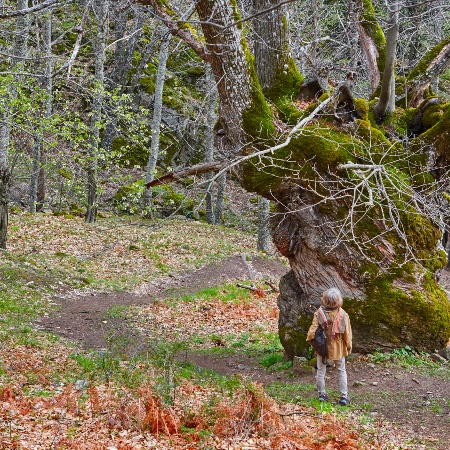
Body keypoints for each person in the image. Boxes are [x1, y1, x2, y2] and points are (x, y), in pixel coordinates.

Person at [306, 288, 352, 405]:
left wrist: (313, 343)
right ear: (338, 300)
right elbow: (347, 333)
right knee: (341, 370)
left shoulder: (319, 313)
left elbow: (312, 331)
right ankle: (344, 396)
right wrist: (348, 345)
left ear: (325, 300)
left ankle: (322, 395)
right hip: (338, 347)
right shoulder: (343, 315)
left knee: (321, 371)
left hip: (322, 347)